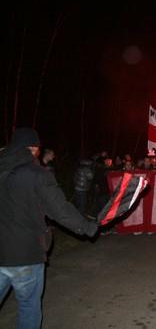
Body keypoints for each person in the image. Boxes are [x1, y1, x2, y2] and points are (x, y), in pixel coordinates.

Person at [0, 128, 98, 329]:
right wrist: (88, 227)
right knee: (28, 306)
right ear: (34, 148)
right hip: (25, 254)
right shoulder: (36, 173)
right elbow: (60, 210)